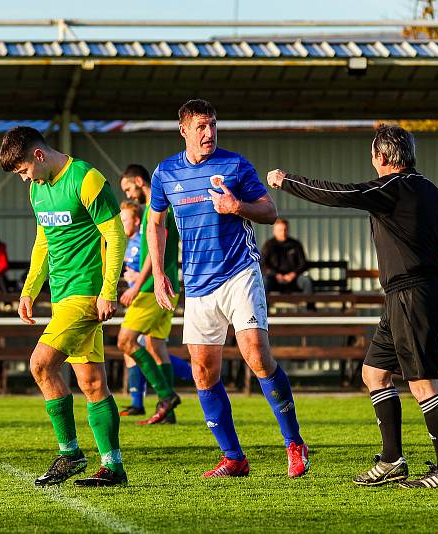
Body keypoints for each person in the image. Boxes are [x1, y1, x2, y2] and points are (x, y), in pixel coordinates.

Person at [268, 124, 438, 489]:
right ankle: (392, 460)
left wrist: (286, 181)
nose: (371, 161)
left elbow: (339, 193)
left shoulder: (391, 188)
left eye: (373, 154)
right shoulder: (434, 193)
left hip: (411, 294)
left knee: (424, 383)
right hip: (406, 296)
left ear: (382, 157)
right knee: (373, 373)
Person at [147, 99, 309, 478]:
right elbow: (155, 222)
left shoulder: (235, 165)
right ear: (183, 129)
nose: (209, 133)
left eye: (213, 125)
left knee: (256, 355)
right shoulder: (165, 173)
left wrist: (237, 206)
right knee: (204, 372)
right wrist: (158, 271)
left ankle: (294, 442)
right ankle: (234, 457)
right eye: (201, 127)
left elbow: (270, 212)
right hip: (198, 284)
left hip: (240, 272)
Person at [0, 126, 128, 487]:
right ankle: (113, 467)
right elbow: (44, 241)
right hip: (61, 297)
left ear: (38, 155)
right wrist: (29, 290)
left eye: (24, 169)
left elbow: (115, 235)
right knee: (91, 382)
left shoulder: (86, 178)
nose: (24, 178)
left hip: (86, 294)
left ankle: (70, 453)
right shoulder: (36, 190)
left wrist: (109, 290)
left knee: (39, 365)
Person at [117, 164, 182, 424]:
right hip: (170, 286)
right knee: (156, 346)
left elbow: (155, 252)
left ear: (139, 181)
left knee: (125, 341)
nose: (129, 194)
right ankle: (168, 412)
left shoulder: (156, 210)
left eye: (128, 188)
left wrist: (136, 286)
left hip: (152, 289)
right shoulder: (160, 207)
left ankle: (166, 396)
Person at [261, 218, 315, 310]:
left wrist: (293, 274)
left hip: (294, 280)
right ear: (274, 231)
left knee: (307, 281)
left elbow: (303, 264)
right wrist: (276, 275)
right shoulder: (269, 245)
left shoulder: (295, 244)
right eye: (280, 230)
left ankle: (310, 311)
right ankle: (264, 312)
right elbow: (263, 264)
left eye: (285, 229)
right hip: (275, 280)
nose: (283, 232)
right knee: (264, 282)